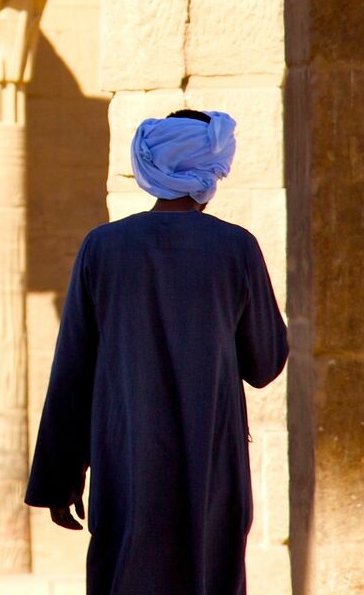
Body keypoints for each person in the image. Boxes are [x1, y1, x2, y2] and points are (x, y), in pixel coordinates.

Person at [24, 110, 289, 595]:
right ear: (213, 167)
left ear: (151, 167)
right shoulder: (237, 248)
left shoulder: (102, 248)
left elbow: (73, 372)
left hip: (125, 460)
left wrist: (59, 480)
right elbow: (265, 363)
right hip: (211, 462)